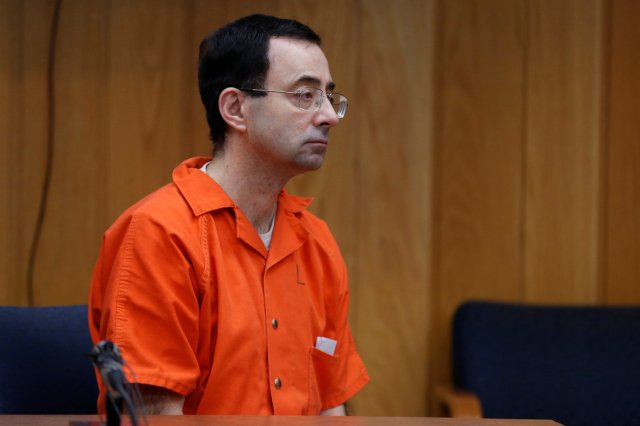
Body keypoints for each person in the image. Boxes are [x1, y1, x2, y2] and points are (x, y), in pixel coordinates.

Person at [88, 14, 369, 416]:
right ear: (236, 108)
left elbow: (330, 410)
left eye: (328, 96)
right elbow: (155, 418)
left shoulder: (317, 242)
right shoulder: (160, 234)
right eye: (305, 95)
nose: (329, 116)